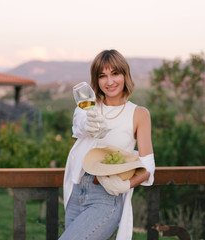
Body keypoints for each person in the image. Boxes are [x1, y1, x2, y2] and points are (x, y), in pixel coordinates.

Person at [59, 49, 155, 240]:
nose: (109, 82)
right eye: (102, 76)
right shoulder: (88, 106)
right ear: (96, 81)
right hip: (77, 190)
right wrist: (87, 124)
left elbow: (148, 168)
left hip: (105, 196)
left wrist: (125, 185)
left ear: (125, 75)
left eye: (115, 73)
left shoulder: (139, 114)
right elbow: (79, 126)